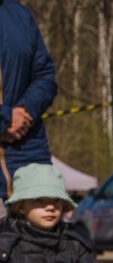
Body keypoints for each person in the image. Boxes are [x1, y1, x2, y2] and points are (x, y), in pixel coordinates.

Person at [0, 0, 58, 216]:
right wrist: (4, 119)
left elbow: (45, 76)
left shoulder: (20, 16)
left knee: (39, 247)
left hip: (30, 163)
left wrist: (25, 110)